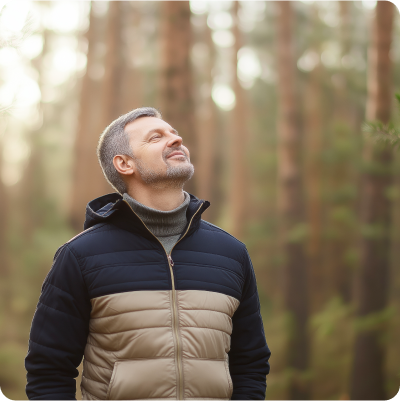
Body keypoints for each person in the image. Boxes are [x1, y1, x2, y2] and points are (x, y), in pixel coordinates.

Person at [25, 107, 271, 401]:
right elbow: (49, 372)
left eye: (175, 134)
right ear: (124, 163)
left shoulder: (232, 253)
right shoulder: (80, 256)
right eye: (156, 138)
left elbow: (251, 364)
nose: (176, 140)